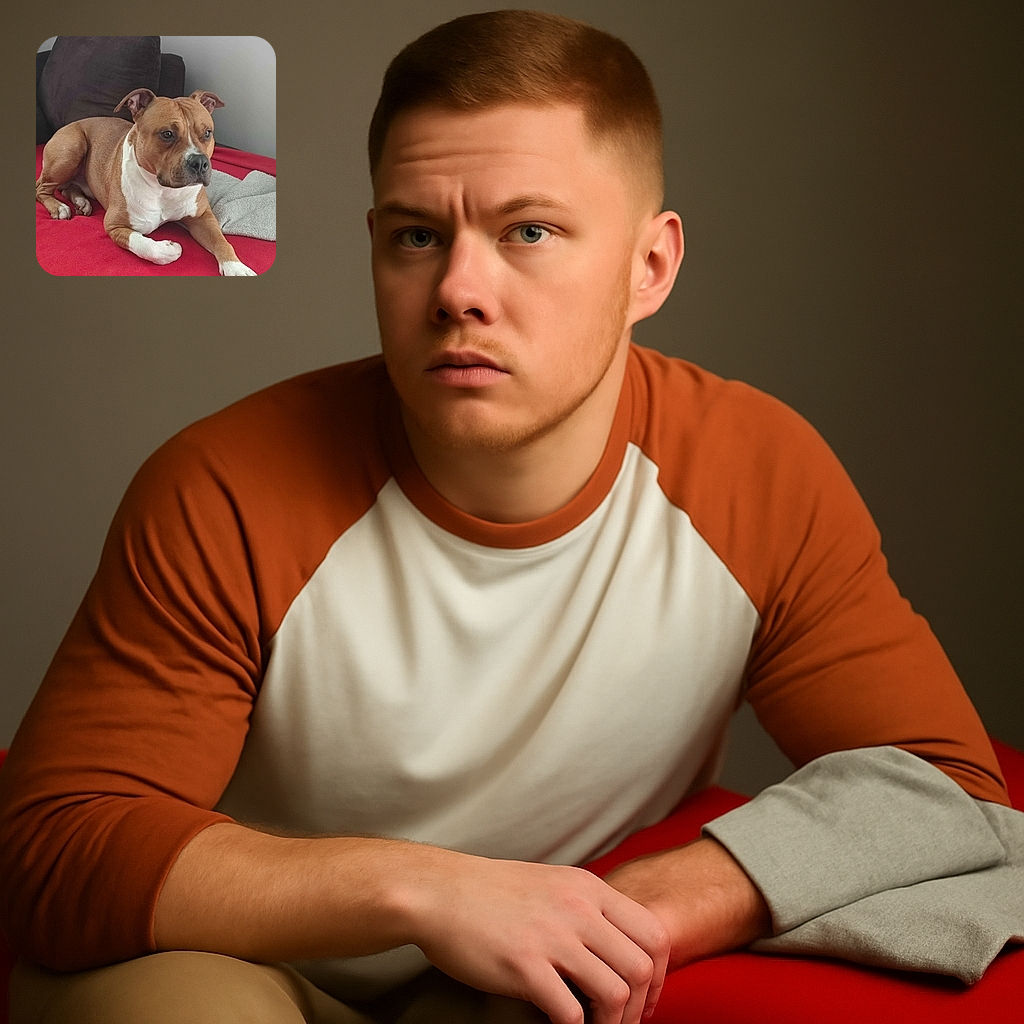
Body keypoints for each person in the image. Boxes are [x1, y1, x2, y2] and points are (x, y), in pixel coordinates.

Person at [2, 10, 1022, 1024]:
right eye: (416, 235)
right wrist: (422, 887)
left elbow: (939, 786)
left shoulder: (755, 470)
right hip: (237, 958)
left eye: (528, 231)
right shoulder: (223, 486)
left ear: (648, 267)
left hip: (518, 977)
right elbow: (55, 847)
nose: (457, 290)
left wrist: (646, 908)